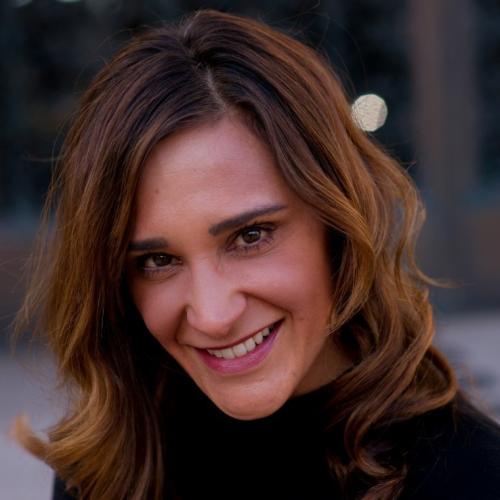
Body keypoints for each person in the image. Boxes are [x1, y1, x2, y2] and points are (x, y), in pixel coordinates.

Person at [13, 9, 500, 500]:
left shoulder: (472, 477)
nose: (213, 316)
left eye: (250, 236)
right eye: (158, 261)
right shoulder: (104, 469)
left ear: (337, 224)